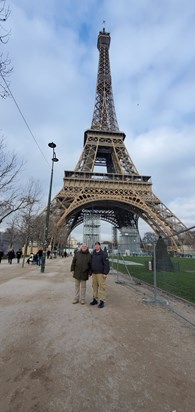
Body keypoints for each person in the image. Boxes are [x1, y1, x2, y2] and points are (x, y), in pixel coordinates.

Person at [90, 241, 110, 309]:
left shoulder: (104, 254)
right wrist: (90, 272)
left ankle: (102, 301)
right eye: (95, 245)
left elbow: (107, 264)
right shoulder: (93, 253)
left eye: (98, 245)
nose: (96, 246)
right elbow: (91, 263)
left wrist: (105, 273)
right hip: (94, 273)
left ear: (100, 246)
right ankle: (95, 299)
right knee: (94, 287)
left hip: (101, 274)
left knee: (102, 287)